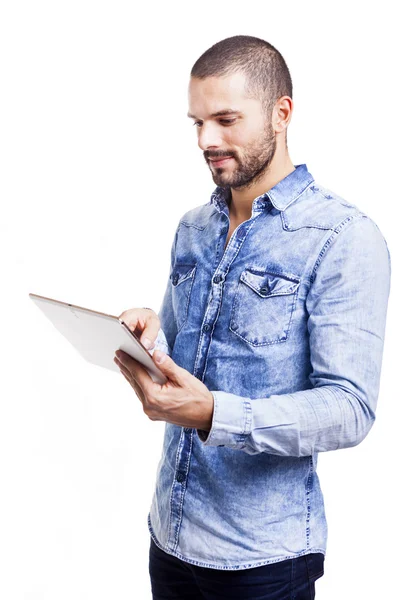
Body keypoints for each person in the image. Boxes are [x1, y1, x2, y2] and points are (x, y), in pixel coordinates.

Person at [113, 35, 391, 599]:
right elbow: (188, 356)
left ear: (281, 114)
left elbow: (349, 408)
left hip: (261, 560)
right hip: (170, 536)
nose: (205, 140)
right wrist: (151, 334)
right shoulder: (194, 226)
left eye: (225, 120)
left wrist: (216, 413)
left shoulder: (343, 237)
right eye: (196, 123)